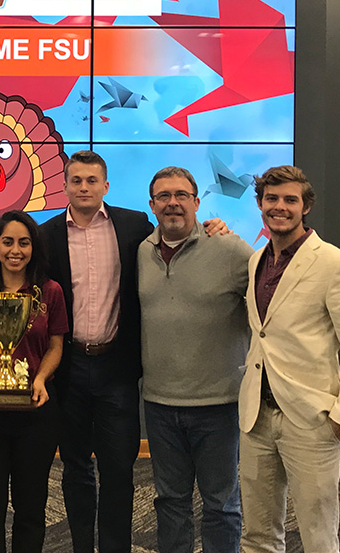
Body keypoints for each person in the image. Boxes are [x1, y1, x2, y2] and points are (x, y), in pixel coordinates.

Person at [40, 150, 227, 553]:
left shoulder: (133, 226)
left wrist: (215, 227)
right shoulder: (46, 234)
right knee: (75, 467)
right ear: (65, 185)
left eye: (93, 181)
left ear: (106, 186)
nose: (84, 187)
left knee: (118, 470)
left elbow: (180, 236)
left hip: (117, 369)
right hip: (68, 367)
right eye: (77, 180)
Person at [239, 165, 340, 553]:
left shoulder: (335, 264)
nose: (279, 207)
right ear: (260, 203)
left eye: (290, 200)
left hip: (311, 421)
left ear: (305, 207)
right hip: (256, 417)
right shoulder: (256, 262)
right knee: (257, 536)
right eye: (271, 199)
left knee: (318, 538)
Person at [137, 167, 252, 553]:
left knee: (221, 504)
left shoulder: (231, 250)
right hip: (159, 403)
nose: (173, 203)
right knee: (170, 503)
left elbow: (271, 304)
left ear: (197, 202)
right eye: (164, 196)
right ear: (152, 205)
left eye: (182, 195)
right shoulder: (141, 251)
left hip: (218, 405)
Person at [0, 210, 69, 553]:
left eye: (24, 242)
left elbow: (55, 346)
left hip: (35, 414)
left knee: (31, 507)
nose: (15, 250)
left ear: (34, 247)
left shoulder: (50, 292)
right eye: (7, 242)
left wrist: (40, 378)